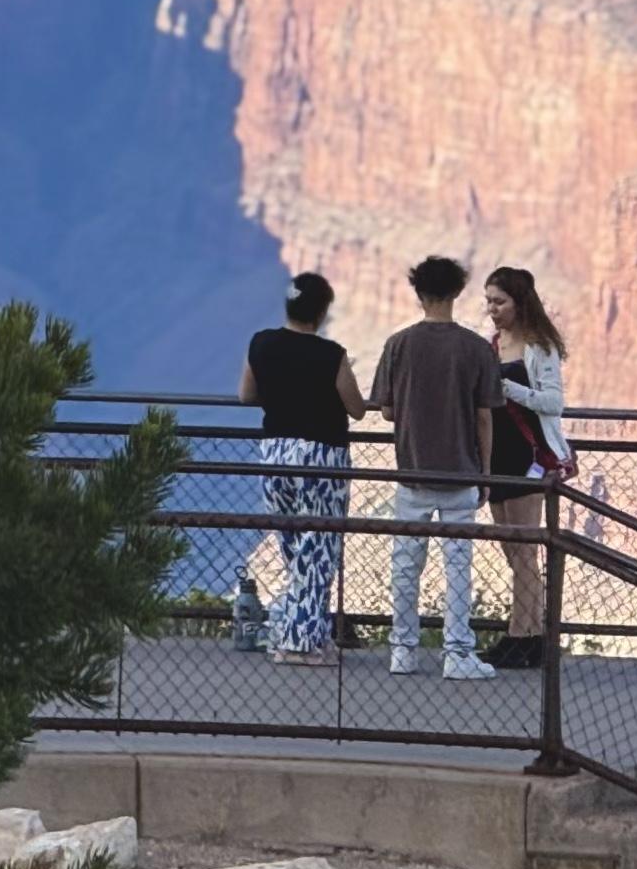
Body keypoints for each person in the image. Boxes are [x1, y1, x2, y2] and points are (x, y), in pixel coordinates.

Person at [370, 254, 502, 679]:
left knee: (406, 564)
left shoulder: (398, 344)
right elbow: (485, 417)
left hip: (412, 469)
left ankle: (403, 650)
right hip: (461, 470)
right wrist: (485, 472)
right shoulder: (476, 349)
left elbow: (386, 410)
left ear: (418, 292)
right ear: (457, 291)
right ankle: (457, 653)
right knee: (458, 565)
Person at [239, 269, 365, 664]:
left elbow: (246, 395)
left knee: (294, 547)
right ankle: (297, 644)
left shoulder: (261, 343)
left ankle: (310, 633)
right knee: (320, 547)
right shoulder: (332, 355)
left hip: (274, 454)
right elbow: (357, 408)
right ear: (322, 312)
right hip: (321, 458)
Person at [484, 265, 571, 671]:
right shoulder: (493, 345)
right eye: (488, 301)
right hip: (495, 456)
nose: (492, 309)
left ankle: (519, 636)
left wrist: (508, 389)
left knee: (524, 552)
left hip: (526, 457)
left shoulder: (539, 347)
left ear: (520, 303)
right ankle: (532, 635)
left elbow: (553, 402)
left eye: (499, 302)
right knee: (512, 550)